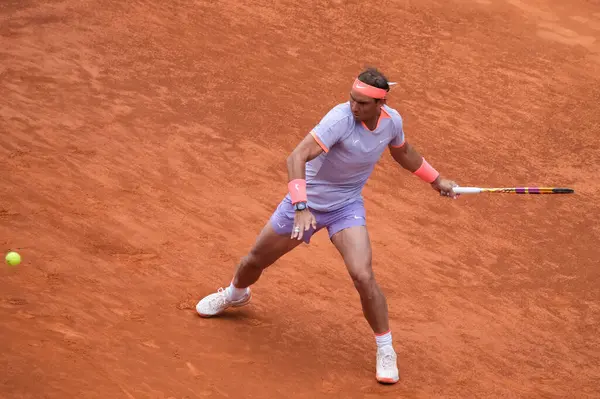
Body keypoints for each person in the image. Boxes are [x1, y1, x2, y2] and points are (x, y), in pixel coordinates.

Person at [196, 67, 459, 384]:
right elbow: (296, 157)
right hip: (304, 204)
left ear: (381, 104)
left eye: (362, 103)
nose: (354, 107)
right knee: (254, 260)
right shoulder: (339, 120)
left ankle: (386, 348)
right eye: (352, 99)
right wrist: (301, 205)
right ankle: (235, 294)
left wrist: (436, 180)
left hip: (346, 207)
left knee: (363, 275)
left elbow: (403, 152)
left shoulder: (392, 122)